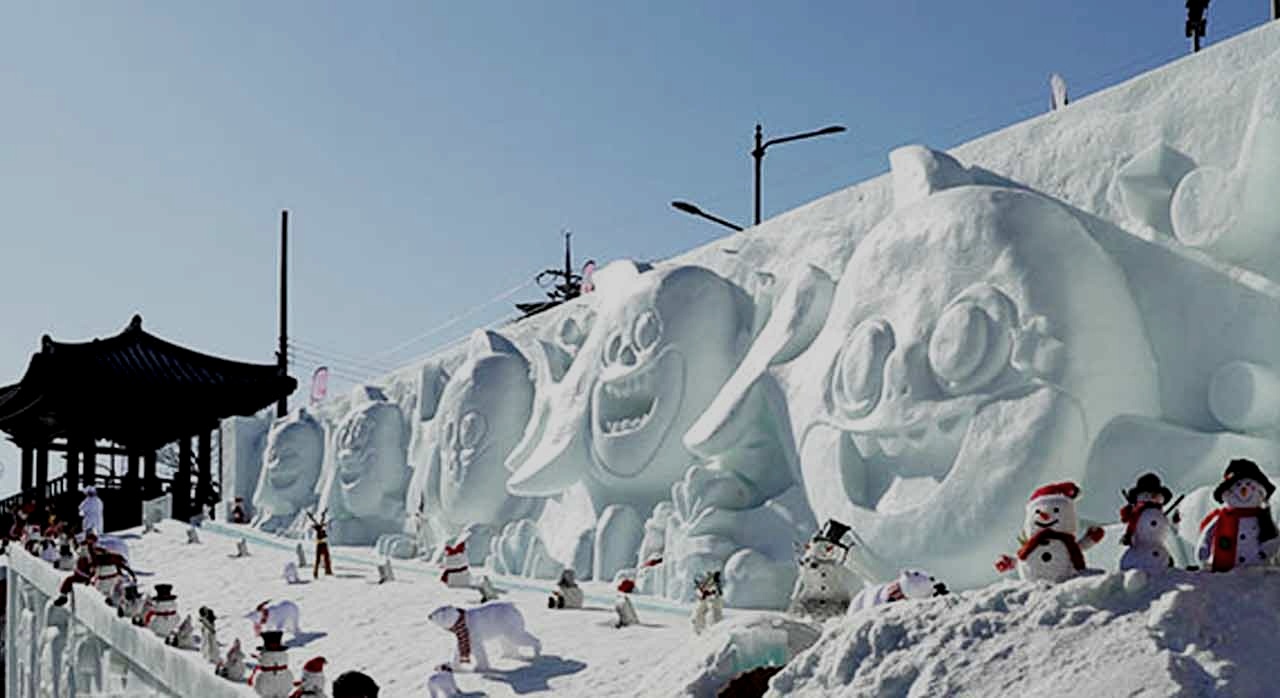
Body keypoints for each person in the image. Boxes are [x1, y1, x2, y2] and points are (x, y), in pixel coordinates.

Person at [306, 509, 333, 578]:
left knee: (322, 558)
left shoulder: (319, 527)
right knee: (323, 558)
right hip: (322, 544)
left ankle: (325, 571)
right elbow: (319, 524)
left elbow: (319, 523)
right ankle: (322, 571)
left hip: (321, 544)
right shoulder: (319, 528)